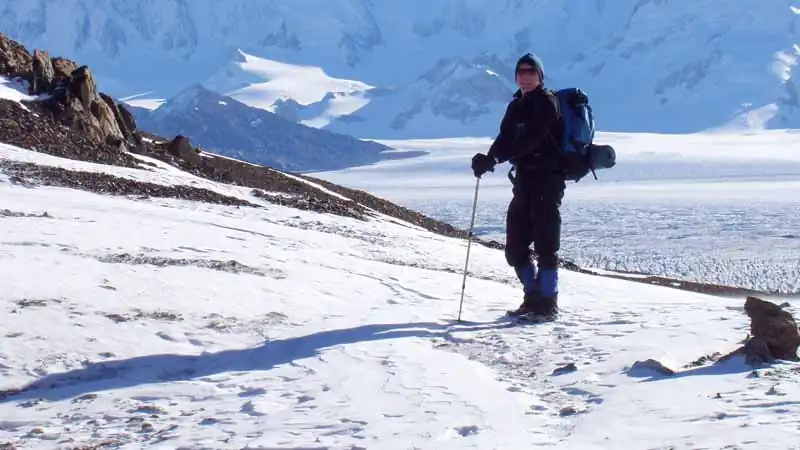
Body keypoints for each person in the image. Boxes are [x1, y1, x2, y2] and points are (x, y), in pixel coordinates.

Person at [470, 52, 565, 318]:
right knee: (515, 248)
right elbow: (506, 137)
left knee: (546, 245)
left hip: (547, 180)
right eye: (521, 73)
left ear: (540, 76)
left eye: (530, 72)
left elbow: (531, 139)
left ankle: (548, 302)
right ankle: (533, 297)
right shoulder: (516, 105)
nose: (525, 77)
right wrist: (489, 158)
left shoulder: (548, 103)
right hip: (524, 180)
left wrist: (498, 158)